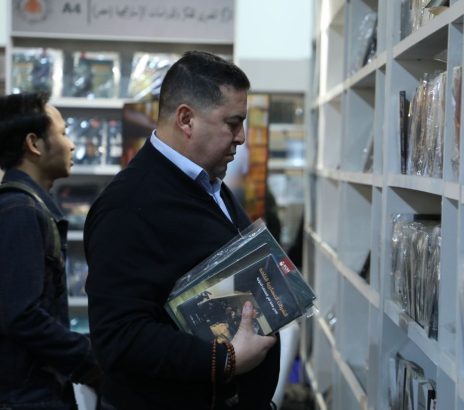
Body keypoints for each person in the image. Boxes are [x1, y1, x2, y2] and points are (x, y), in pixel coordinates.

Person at [84, 51, 279, 409]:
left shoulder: (210, 185)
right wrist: (225, 360)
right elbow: (117, 337)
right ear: (186, 119)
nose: (241, 137)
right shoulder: (127, 204)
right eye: (232, 123)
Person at [0, 92, 102, 409]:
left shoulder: (24, 207)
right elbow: (23, 315)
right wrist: (90, 359)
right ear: (34, 144)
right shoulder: (20, 211)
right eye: (63, 133)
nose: (71, 145)